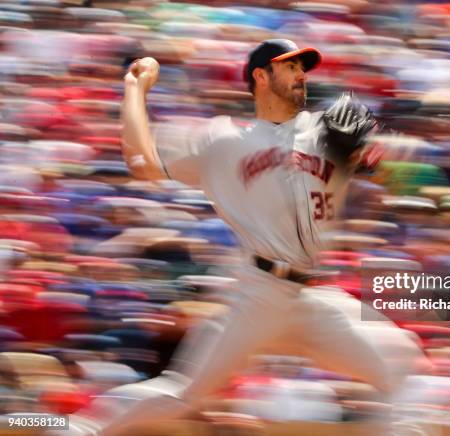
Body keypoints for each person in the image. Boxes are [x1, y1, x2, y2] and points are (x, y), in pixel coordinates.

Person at [72, 39, 424, 435]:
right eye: (289, 67)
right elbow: (142, 163)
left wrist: (389, 151)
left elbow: (387, 159)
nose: (300, 75)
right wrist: (135, 89)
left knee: (401, 363)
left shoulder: (328, 129)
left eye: (302, 68)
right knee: (183, 395)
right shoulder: (222, 141)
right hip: (259, 293)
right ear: (260, 76)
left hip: (310, 296)